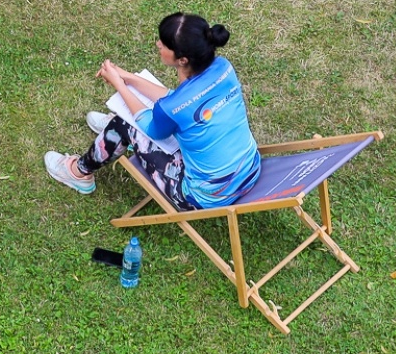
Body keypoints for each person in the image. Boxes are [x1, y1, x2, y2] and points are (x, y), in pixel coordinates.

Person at [44, 13, 261, 210]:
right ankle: (112, 136)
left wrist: (119, 85)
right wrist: (128, 78)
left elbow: (153, 126)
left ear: (182, 59)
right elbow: (179, 103)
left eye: (163, 43)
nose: (158, 44)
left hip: (203, 197)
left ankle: (78, 172)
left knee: (125, 126)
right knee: (146, 117)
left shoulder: (174, 107)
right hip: (248, 171)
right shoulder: (223, 68)